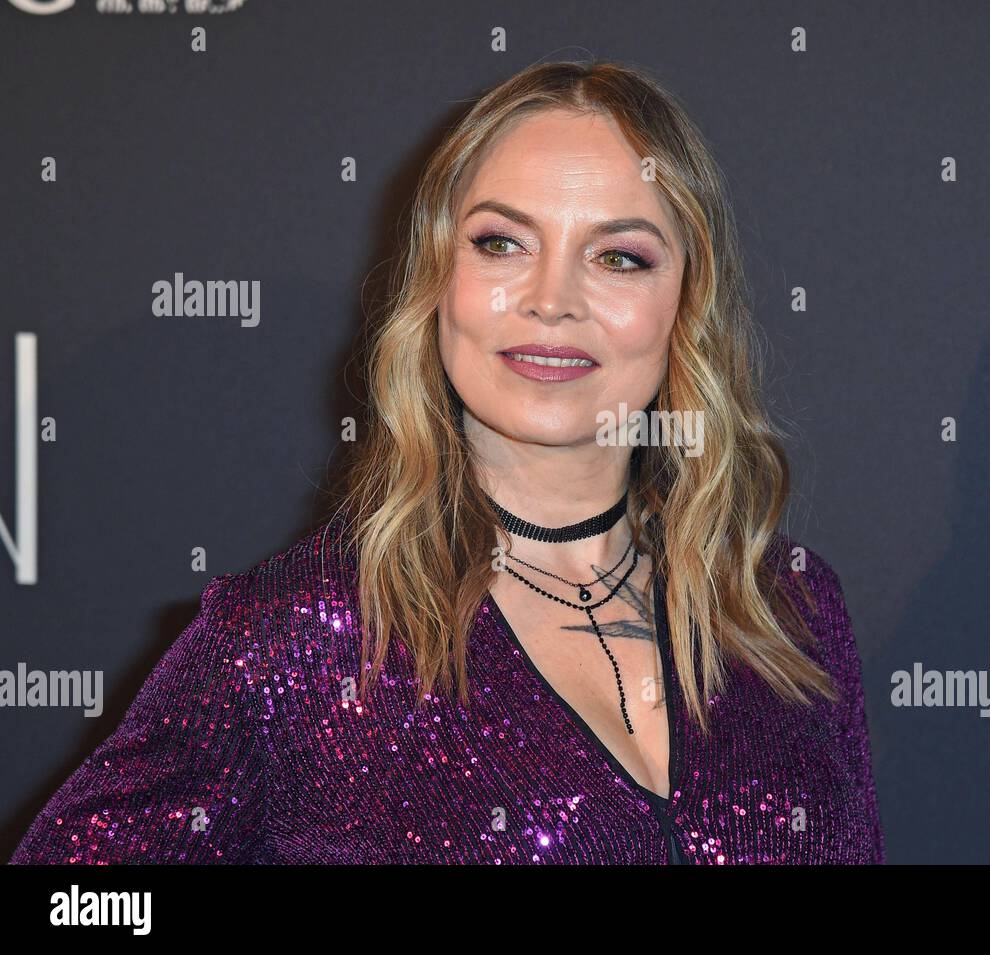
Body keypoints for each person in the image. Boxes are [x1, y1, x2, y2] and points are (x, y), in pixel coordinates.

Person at [9, 59, 885, 865]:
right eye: (501, 242)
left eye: (619, 256)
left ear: (686, 303)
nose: (551, 300)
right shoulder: (296, 639)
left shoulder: (787, 610)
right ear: (437, 279)